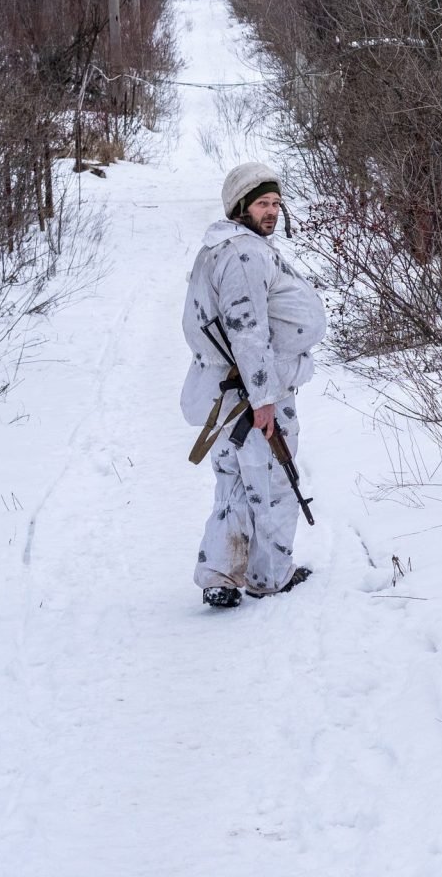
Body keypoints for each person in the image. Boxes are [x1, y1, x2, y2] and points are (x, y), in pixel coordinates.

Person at [181, 161, 327, 610]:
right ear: (240, 206)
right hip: (252, 393)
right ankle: (269, 575)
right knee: (272, 484)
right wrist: (262, 400)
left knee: (235, 483)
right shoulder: (243, 253)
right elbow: (247, 330)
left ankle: (220, 575)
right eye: (263, 203)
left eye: (277, 203)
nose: (272, 212)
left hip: (229, 392)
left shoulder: (219, 248)